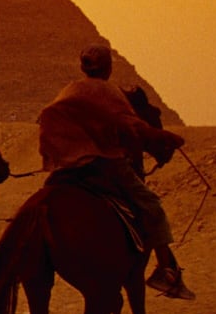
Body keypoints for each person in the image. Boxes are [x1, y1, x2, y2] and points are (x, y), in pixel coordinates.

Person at [37, 45, 194, 300]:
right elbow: (131, 125)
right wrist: (166, 136)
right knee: (151, 203)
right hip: (102, 163)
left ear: (83, 67)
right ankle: (167, 270)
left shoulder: (70, 90)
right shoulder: (108, 91)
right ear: (109, 67)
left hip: (65, 166)